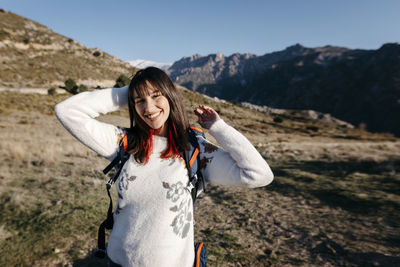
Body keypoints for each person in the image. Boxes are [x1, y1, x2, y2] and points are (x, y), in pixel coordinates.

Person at [54, 67, 274, 267]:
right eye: (140, 101)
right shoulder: (125, 142)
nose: (148, 108)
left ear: (170, 96)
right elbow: (66, 111)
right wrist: (130, 92)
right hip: (117, 262)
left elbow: (259, 175)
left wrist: (219, 129)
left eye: (156, 96)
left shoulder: (195, 150)